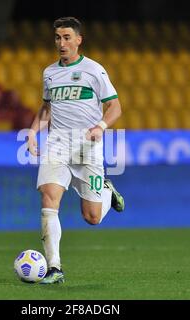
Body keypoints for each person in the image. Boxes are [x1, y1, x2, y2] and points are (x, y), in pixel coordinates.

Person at [27, 17, 125, 284]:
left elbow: (115, 106)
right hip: (57, 144)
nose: (62, 43)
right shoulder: (49, 73)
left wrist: (101, 126)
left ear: (79, 40)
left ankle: (107, 191)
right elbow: (47, 108)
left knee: (91, 217)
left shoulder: (94, 70)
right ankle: (54, 267)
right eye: (58, 37)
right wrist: (34, 132)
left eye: (67, 37)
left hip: (87, 148)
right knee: (49, 198)